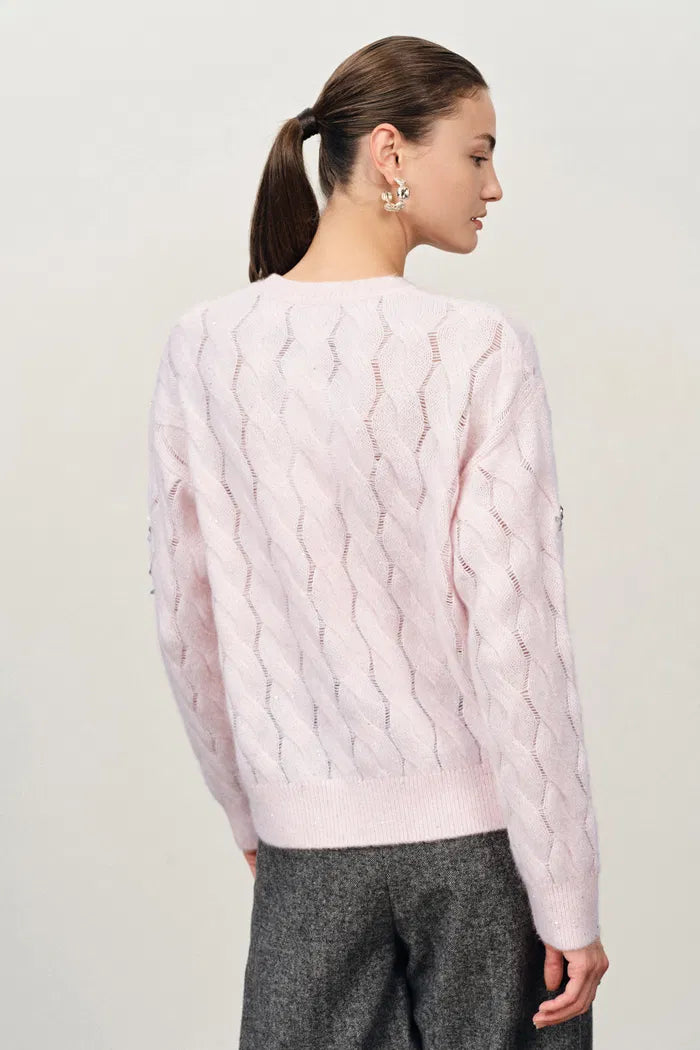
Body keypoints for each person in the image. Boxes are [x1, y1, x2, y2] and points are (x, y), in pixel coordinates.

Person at [146, 33, 609, 1050]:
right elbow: (516, 637)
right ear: (392, 152)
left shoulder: (203, 348)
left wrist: (252, 812)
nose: (494, 186)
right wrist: (567, 894)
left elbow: (186, 624)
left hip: (307, 853)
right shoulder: (478, 348)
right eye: (478, 153)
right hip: (480, 856)